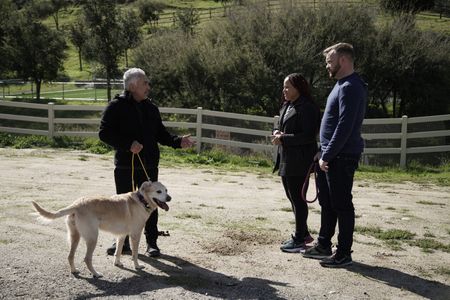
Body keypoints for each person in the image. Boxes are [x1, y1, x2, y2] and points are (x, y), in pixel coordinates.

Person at [99, 68, 195, 257]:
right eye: (145, 83)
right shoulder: (115, 106)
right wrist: (128, 144)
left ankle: (152, 242)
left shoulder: (151, 108)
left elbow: (161, 134)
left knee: (152, 203)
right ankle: (122, 242)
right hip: (125, 165)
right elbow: (104, 133)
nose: (148, 86)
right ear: (133, 85)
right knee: (123, 205)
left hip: (149, 163)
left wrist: (178, 142)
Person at [302, 43, 367, 267]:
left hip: (340, 156)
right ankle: (323, 244)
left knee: (342, 205)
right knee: (328, 203)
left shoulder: (351, 86)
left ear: (343, 60)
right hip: (330, 155)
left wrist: (326, 155)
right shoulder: (342, 84)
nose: (327, 66)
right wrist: (322, 153)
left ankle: (343, 254)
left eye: (330, 61)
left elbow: (344, 126)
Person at [272, 73, 320, 253]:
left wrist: (284, 139)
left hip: (300, 161)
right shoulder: (288, 105)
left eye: (287, 87)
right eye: (284, 87)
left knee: (298, 199)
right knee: (292, 197)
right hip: (287, 159)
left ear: (298, 88)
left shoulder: (308, 108)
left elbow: (308, 136)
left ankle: (299, 238)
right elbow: (279, 124)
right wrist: (277, 132)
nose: (284, 90)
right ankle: (304, 233)